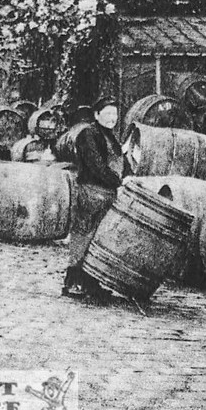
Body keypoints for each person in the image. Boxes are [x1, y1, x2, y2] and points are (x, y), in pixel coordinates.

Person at [63, 96, 127, 299]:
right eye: (107, 114)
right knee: (83, 236)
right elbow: (96, 165)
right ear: (97, 115)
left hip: (106, 194)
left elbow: (118, 163)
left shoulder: (109, 135)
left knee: (98, 238)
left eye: (114, 114)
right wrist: (118, 181)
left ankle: (92, 283)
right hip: (91, 193)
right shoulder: (88, 134)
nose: (112, 118)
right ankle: (72, 283)